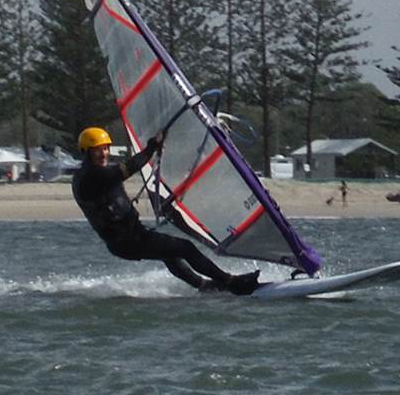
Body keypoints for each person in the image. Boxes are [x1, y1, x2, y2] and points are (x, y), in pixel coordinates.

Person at [70, 125, 259, 294]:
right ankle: (230, 282)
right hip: (127, 241)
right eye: (97, 150)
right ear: (86, 152)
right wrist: (152, 147)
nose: (103, 154)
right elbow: (130, 167)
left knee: (170, 254)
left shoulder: (95, 173)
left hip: (130, 237)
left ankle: (204, 285)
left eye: (105, 148)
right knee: (185, 248)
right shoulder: (90, 177)